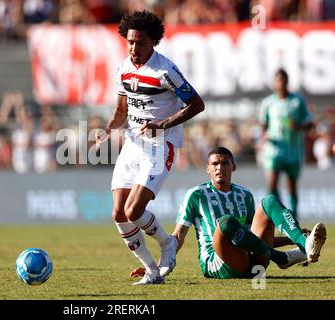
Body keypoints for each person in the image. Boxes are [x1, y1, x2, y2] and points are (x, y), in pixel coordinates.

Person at [95, 10, 205, 285]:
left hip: (160, 145)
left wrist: (164, 123)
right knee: (118, 213)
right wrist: (108, 128)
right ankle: (152, 271)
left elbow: (197, 104)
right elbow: (121, 110)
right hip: (132, 144)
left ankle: (168, 244)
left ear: (153, 42)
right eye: (130, 42)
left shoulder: (165, 71)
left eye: (140, 42)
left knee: (134, 211)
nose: (134, 47)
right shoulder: (123, 68)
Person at [131, 147, 326, 280]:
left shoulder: (245, 195)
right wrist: (156, 268)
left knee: (269, 201)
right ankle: (282, 259)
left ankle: (303, 243)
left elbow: (252, 239)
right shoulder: (196, 194)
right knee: (226, 223)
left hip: (253, 263)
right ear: (207, 168)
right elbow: (178, 235)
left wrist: (290, 240)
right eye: (215, 164)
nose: (219, 168)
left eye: (224, 163)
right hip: (217, 261)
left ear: (233, 167)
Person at [259, 68, 313, 218]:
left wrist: (298, 126)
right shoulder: (268, 103)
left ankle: (293, 216)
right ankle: (280, 215)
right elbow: (263, 124)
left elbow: (309, 123)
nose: (281, 83)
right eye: (278, 80)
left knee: (291, 186)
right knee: (272, 184)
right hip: (274, 151)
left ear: (287, 81)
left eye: (283, 79)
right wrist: (265, 135)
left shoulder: (297, 101)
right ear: (274, 83)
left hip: (293, 151)